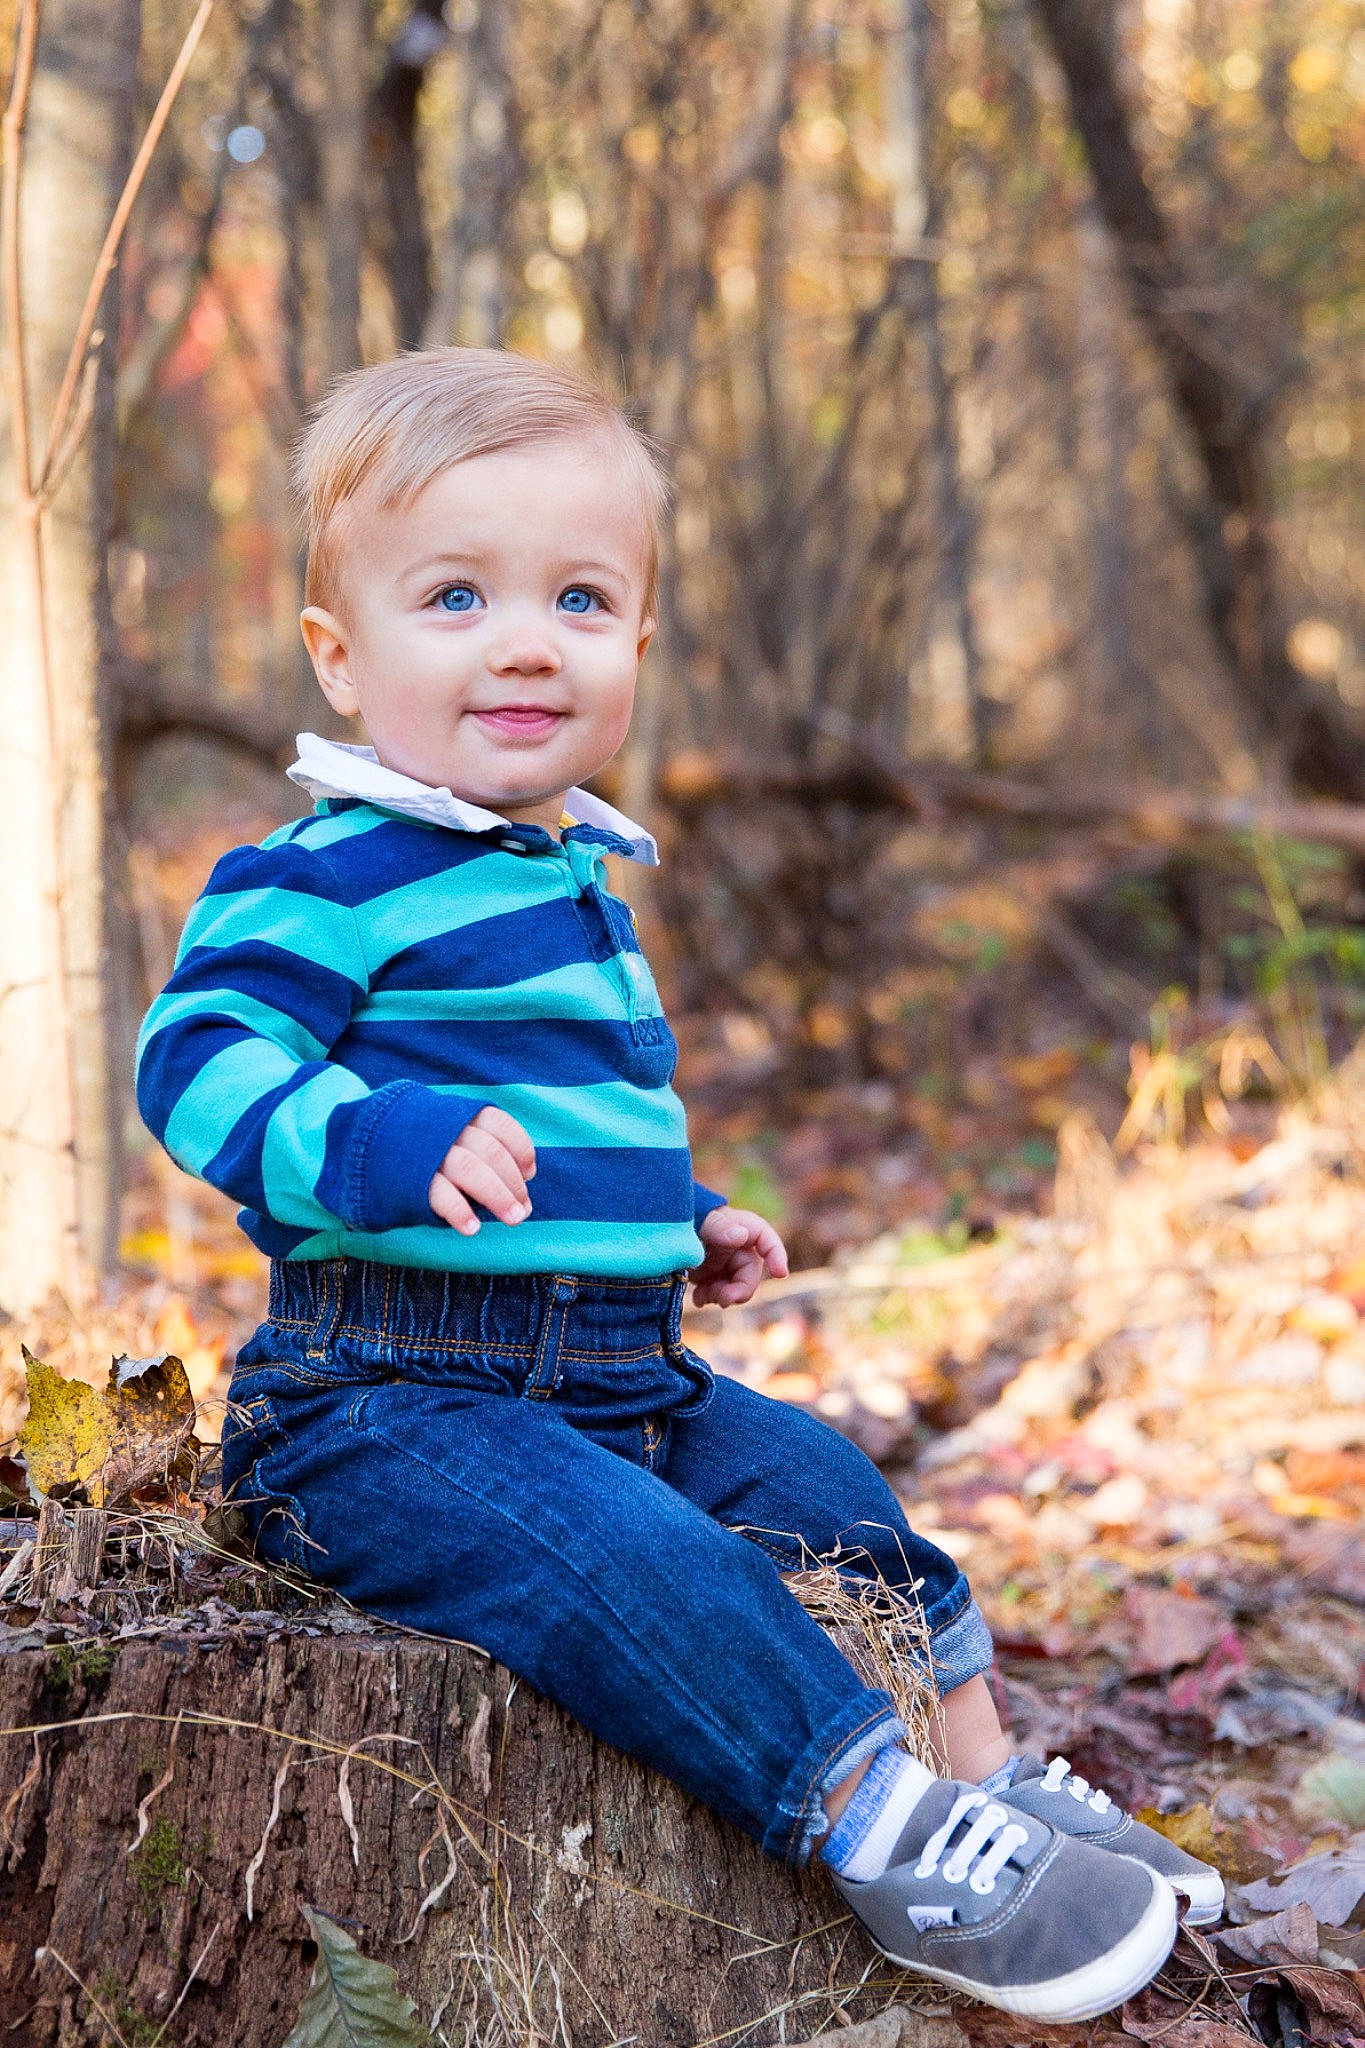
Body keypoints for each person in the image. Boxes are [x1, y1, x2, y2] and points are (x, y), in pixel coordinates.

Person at [136, 347, 1220, 2021]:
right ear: (340, 661)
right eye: (454, 597)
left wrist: (680, 1220)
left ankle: (991, 1782)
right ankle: (879, 1831)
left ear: (636, 640)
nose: (523, 639)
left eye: (579, 597)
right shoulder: (320, 871)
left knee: (840, 1501)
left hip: (624, 1371)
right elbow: (196, 1062)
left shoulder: (577, 874)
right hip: (384, 1403)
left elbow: (583, 1119)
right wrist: (371, 1141)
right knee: (649, 1576)